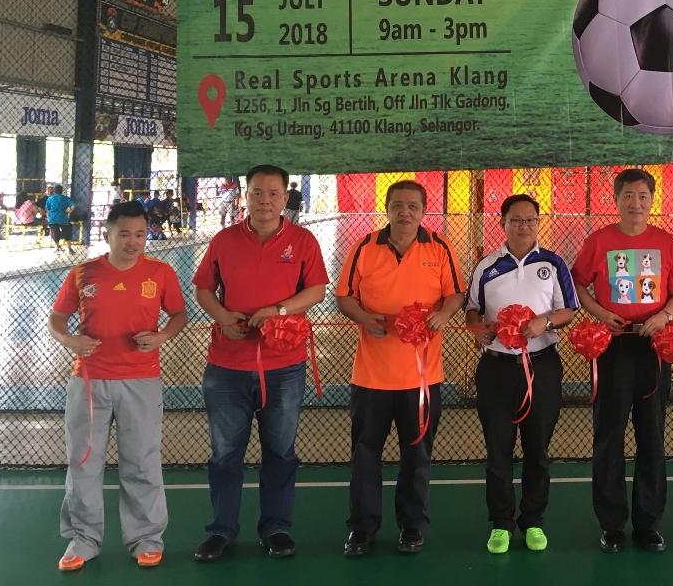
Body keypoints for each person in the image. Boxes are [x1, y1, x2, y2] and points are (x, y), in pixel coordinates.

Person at [192, 165, 328, 562]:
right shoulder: (224, 240)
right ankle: (221, 529)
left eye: (272, 193)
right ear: (245, 196)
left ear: (285, 198)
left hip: (284, 366)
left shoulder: (302, 241)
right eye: (256, 192)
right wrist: (222, 316)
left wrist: (279, 310)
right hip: (227, 366)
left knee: (280, 452)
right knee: (224, 453)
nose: (264, 201)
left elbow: (317, 290)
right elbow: (203, 289)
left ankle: (276, 528)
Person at [48, 200, 187, 571]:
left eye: (140, 234)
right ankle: (83, 539)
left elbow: (178, 314)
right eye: (124, 234)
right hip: (89, 381)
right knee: (83, 461)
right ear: (106, 234)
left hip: (141, 380)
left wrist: (161, 337)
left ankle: (146, 539)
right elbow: (57, 317)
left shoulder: (160, 273)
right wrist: (69, 340)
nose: (133, 242)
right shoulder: (83, 273)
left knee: (142, 461)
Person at [334, 179, 463, 557]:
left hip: (422, 379)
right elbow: (344, 297)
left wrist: (444, 313)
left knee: (417, 456)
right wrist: (364, 317)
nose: (405, 212)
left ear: (423, 211)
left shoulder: (440, 247)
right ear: (387, 209)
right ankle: (362, 528)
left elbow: (456, 294)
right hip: (371, 377)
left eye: (413, 206)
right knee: (365, 455)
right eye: (398, 205)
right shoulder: (364, 247)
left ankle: (411, 525)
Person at [571, 168, 673, 554]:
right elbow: (578, 284)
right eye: (628, 196)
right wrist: (601, 314)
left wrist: (664, 317)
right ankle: (612, 524)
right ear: (616, 200)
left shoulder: (667, 242)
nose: (636, 203)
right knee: (609, 435)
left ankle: (648, 524)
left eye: (643, 196)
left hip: (654, 348)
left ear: (652, 200)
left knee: (652, 435)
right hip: (613, 347)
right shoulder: (599, 240)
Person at [466, 194, 578, 554]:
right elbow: (472, 310)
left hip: (542, 367)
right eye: (516, 220)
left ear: (538, 223)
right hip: (496, 370)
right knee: (498, 451)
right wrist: (479, 328)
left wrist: (544, 322)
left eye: (530, 220)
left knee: (537, 450)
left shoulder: (553, 263)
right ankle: (501, 523)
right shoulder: (486, 266)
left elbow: (568, 310)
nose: (523, 226)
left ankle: (533, 521)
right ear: (503, 223)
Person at [45, 184, 76, 250]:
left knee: (55, 233)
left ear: (54, 191)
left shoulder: (50, 199)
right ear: (62, 191)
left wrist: (48, 218)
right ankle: (69, 248)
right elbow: (73, 206)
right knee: (67, 233)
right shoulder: (66, 198)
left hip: (53, 219)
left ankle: (57, 247)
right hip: (63, 218)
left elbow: (48, 210)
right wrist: (69, 211)